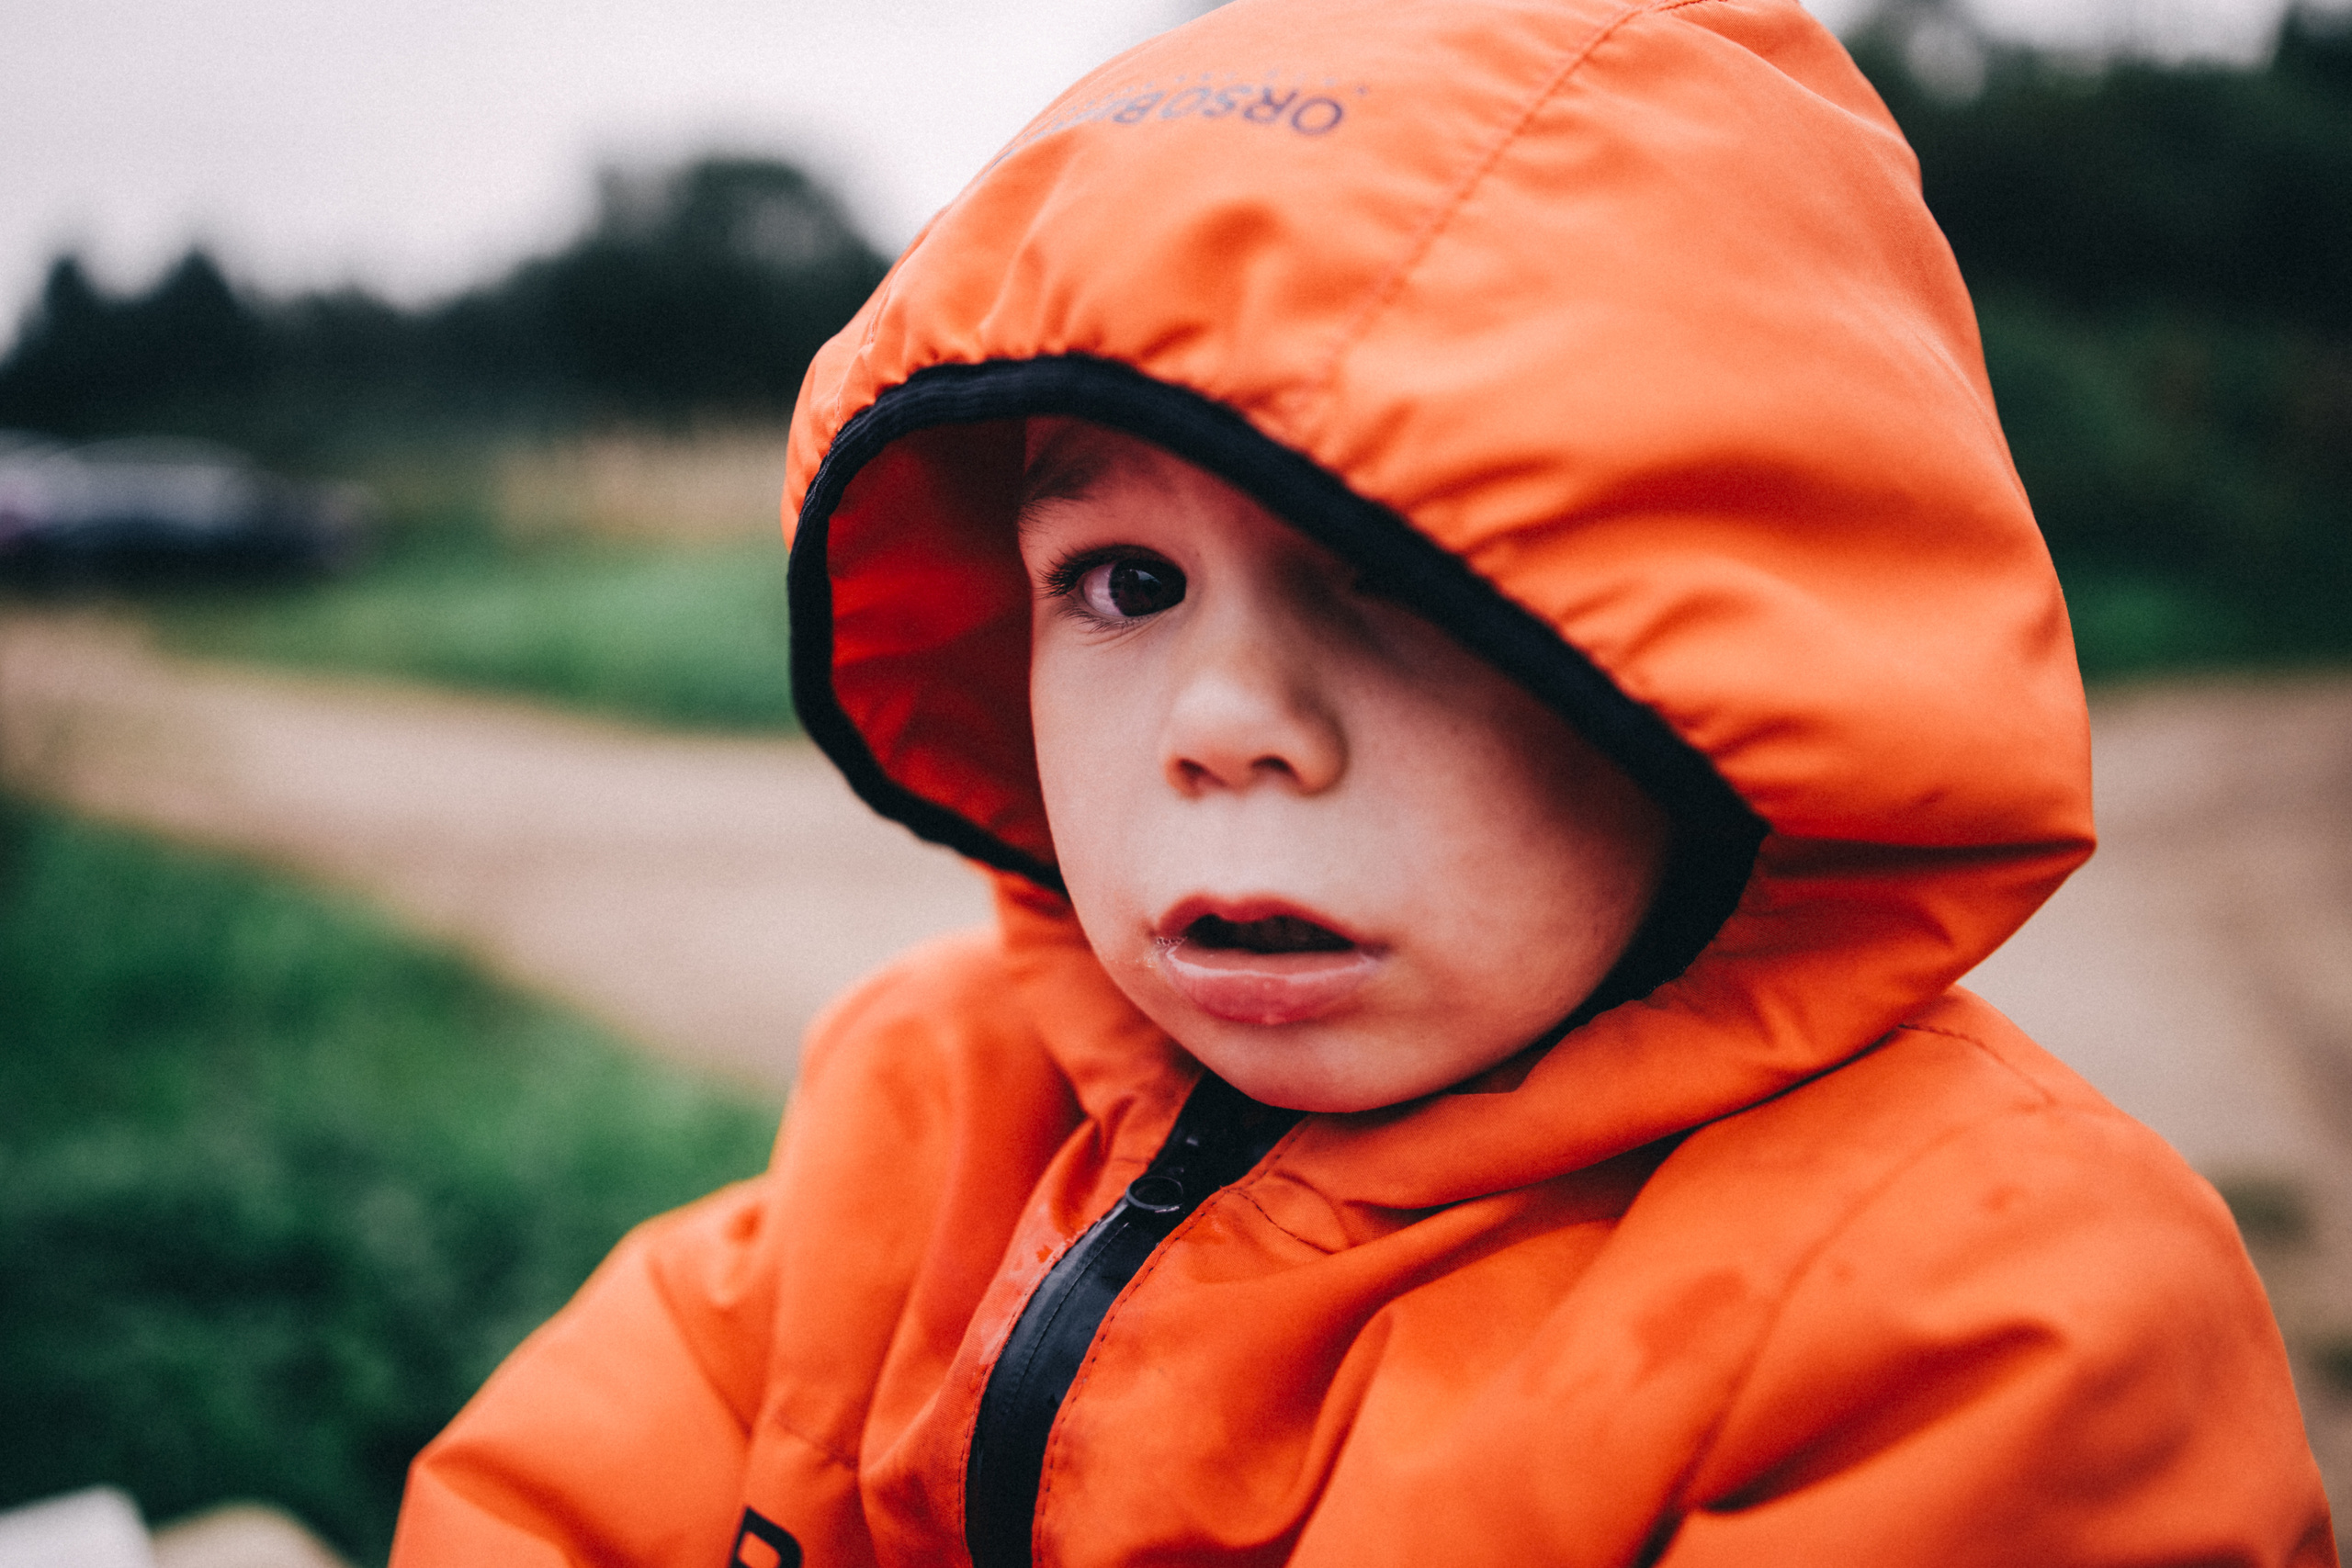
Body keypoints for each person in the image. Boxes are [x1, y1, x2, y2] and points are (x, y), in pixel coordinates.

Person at [390, 0, 2335, 1562]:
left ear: (1715, 666)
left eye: (1403, 578)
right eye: (1123, 583)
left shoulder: (1980, 1310)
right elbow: (557, 1490)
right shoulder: (931, 1098)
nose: (1223, 723)